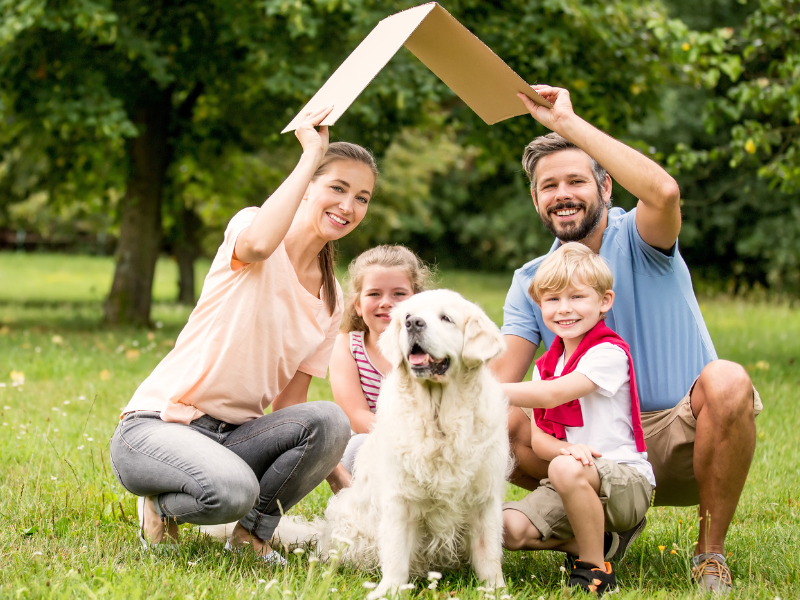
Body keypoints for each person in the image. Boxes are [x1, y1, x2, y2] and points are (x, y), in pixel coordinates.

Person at [494, 85, 761, 594]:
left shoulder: (642, 238)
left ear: (606, 188)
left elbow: (663, 193)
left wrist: (567, 124)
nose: (562, 194)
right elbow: (497, 383)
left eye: (577, 180)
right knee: (501, 423)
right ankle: (596, 532)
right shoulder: (532, 279)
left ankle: (710, 556)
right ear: (535, 199)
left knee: (728, 380)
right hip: (585, 450)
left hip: (679, 434)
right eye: (549, 186)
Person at [109, 106, 376, 565]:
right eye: (337, 188)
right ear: (308, 185)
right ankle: (159, 502)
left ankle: (251, 537)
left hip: (235, 438)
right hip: (157, 428)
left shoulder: (332, 298)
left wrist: (344, 488)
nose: (348, 206)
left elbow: (290, 408)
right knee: (231, 492)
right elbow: (258, 244)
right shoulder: (252, 230)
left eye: (363, 197)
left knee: (330, 419)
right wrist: (310, 155)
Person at [501, 242, 654, 596]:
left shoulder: (608, 352)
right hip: (571, 478)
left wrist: (485, 389)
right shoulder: (546, 366)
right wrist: (566, 448)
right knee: (506, 529)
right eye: (552, 300)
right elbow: (540, 442)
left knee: (563, 468)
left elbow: (555, 394)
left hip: (625, 482)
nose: (564, 309)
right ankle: (600, 542)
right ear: (540, 307)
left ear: (604, 301)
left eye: (577, 297)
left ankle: (594, 570)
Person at [329, 245, 432, 475]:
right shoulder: (348, 346)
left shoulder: (431, 349)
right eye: (374, 294)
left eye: (399, 293)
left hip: (428, 445)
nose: (386, 302)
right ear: (357, 304)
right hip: (373, 444)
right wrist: (404, 440)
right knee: (357, 447)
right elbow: (356, 416)